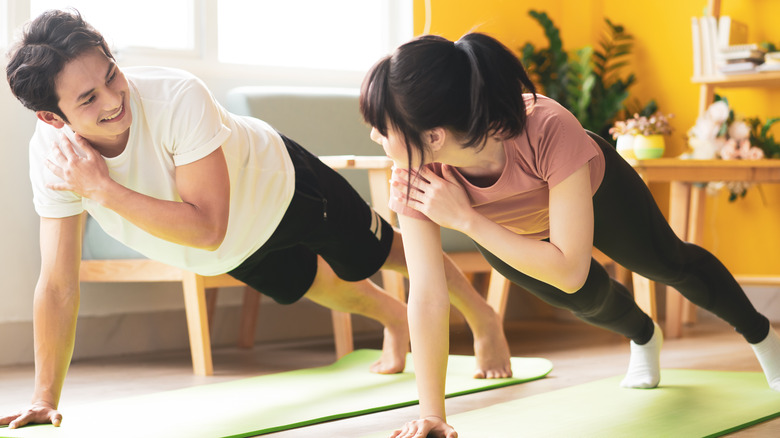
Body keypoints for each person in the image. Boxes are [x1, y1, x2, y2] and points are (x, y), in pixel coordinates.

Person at [1, 11, 512, 430]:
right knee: (324, 287)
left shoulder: (176, 97)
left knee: (386, 255)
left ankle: (481, 316)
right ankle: (394, 320)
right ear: (52, 117)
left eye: (112, 74)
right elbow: (58, 284)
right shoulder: (52, 159)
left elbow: (207, 225)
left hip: (283, 186)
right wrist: (45, 396)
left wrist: (103, 190)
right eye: (88, 99)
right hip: (233, 247)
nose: (114, 99)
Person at [360, 32, 780, 438]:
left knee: (668, 264)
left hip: (598, 193)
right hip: (509, 232)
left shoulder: (547, 125)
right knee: (585, 299)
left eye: (383, 128)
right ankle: (645, 335)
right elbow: (429, 294)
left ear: (433, 136)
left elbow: (570, 268)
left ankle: (763, 337)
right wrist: (432, 413)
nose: (375, 136)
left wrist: (468, 220)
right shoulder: (413, 173)